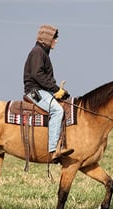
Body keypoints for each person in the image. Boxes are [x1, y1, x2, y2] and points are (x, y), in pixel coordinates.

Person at [23, 24, 74, 163]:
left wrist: (58, 90)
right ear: (46, 38)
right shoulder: (38, 52)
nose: (56, 41)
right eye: (54, 38)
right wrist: (56, 90)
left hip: (41, 90)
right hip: (34, 92)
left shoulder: (42, 52)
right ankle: (53, 150)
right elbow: (38, 75)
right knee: (57, 110)